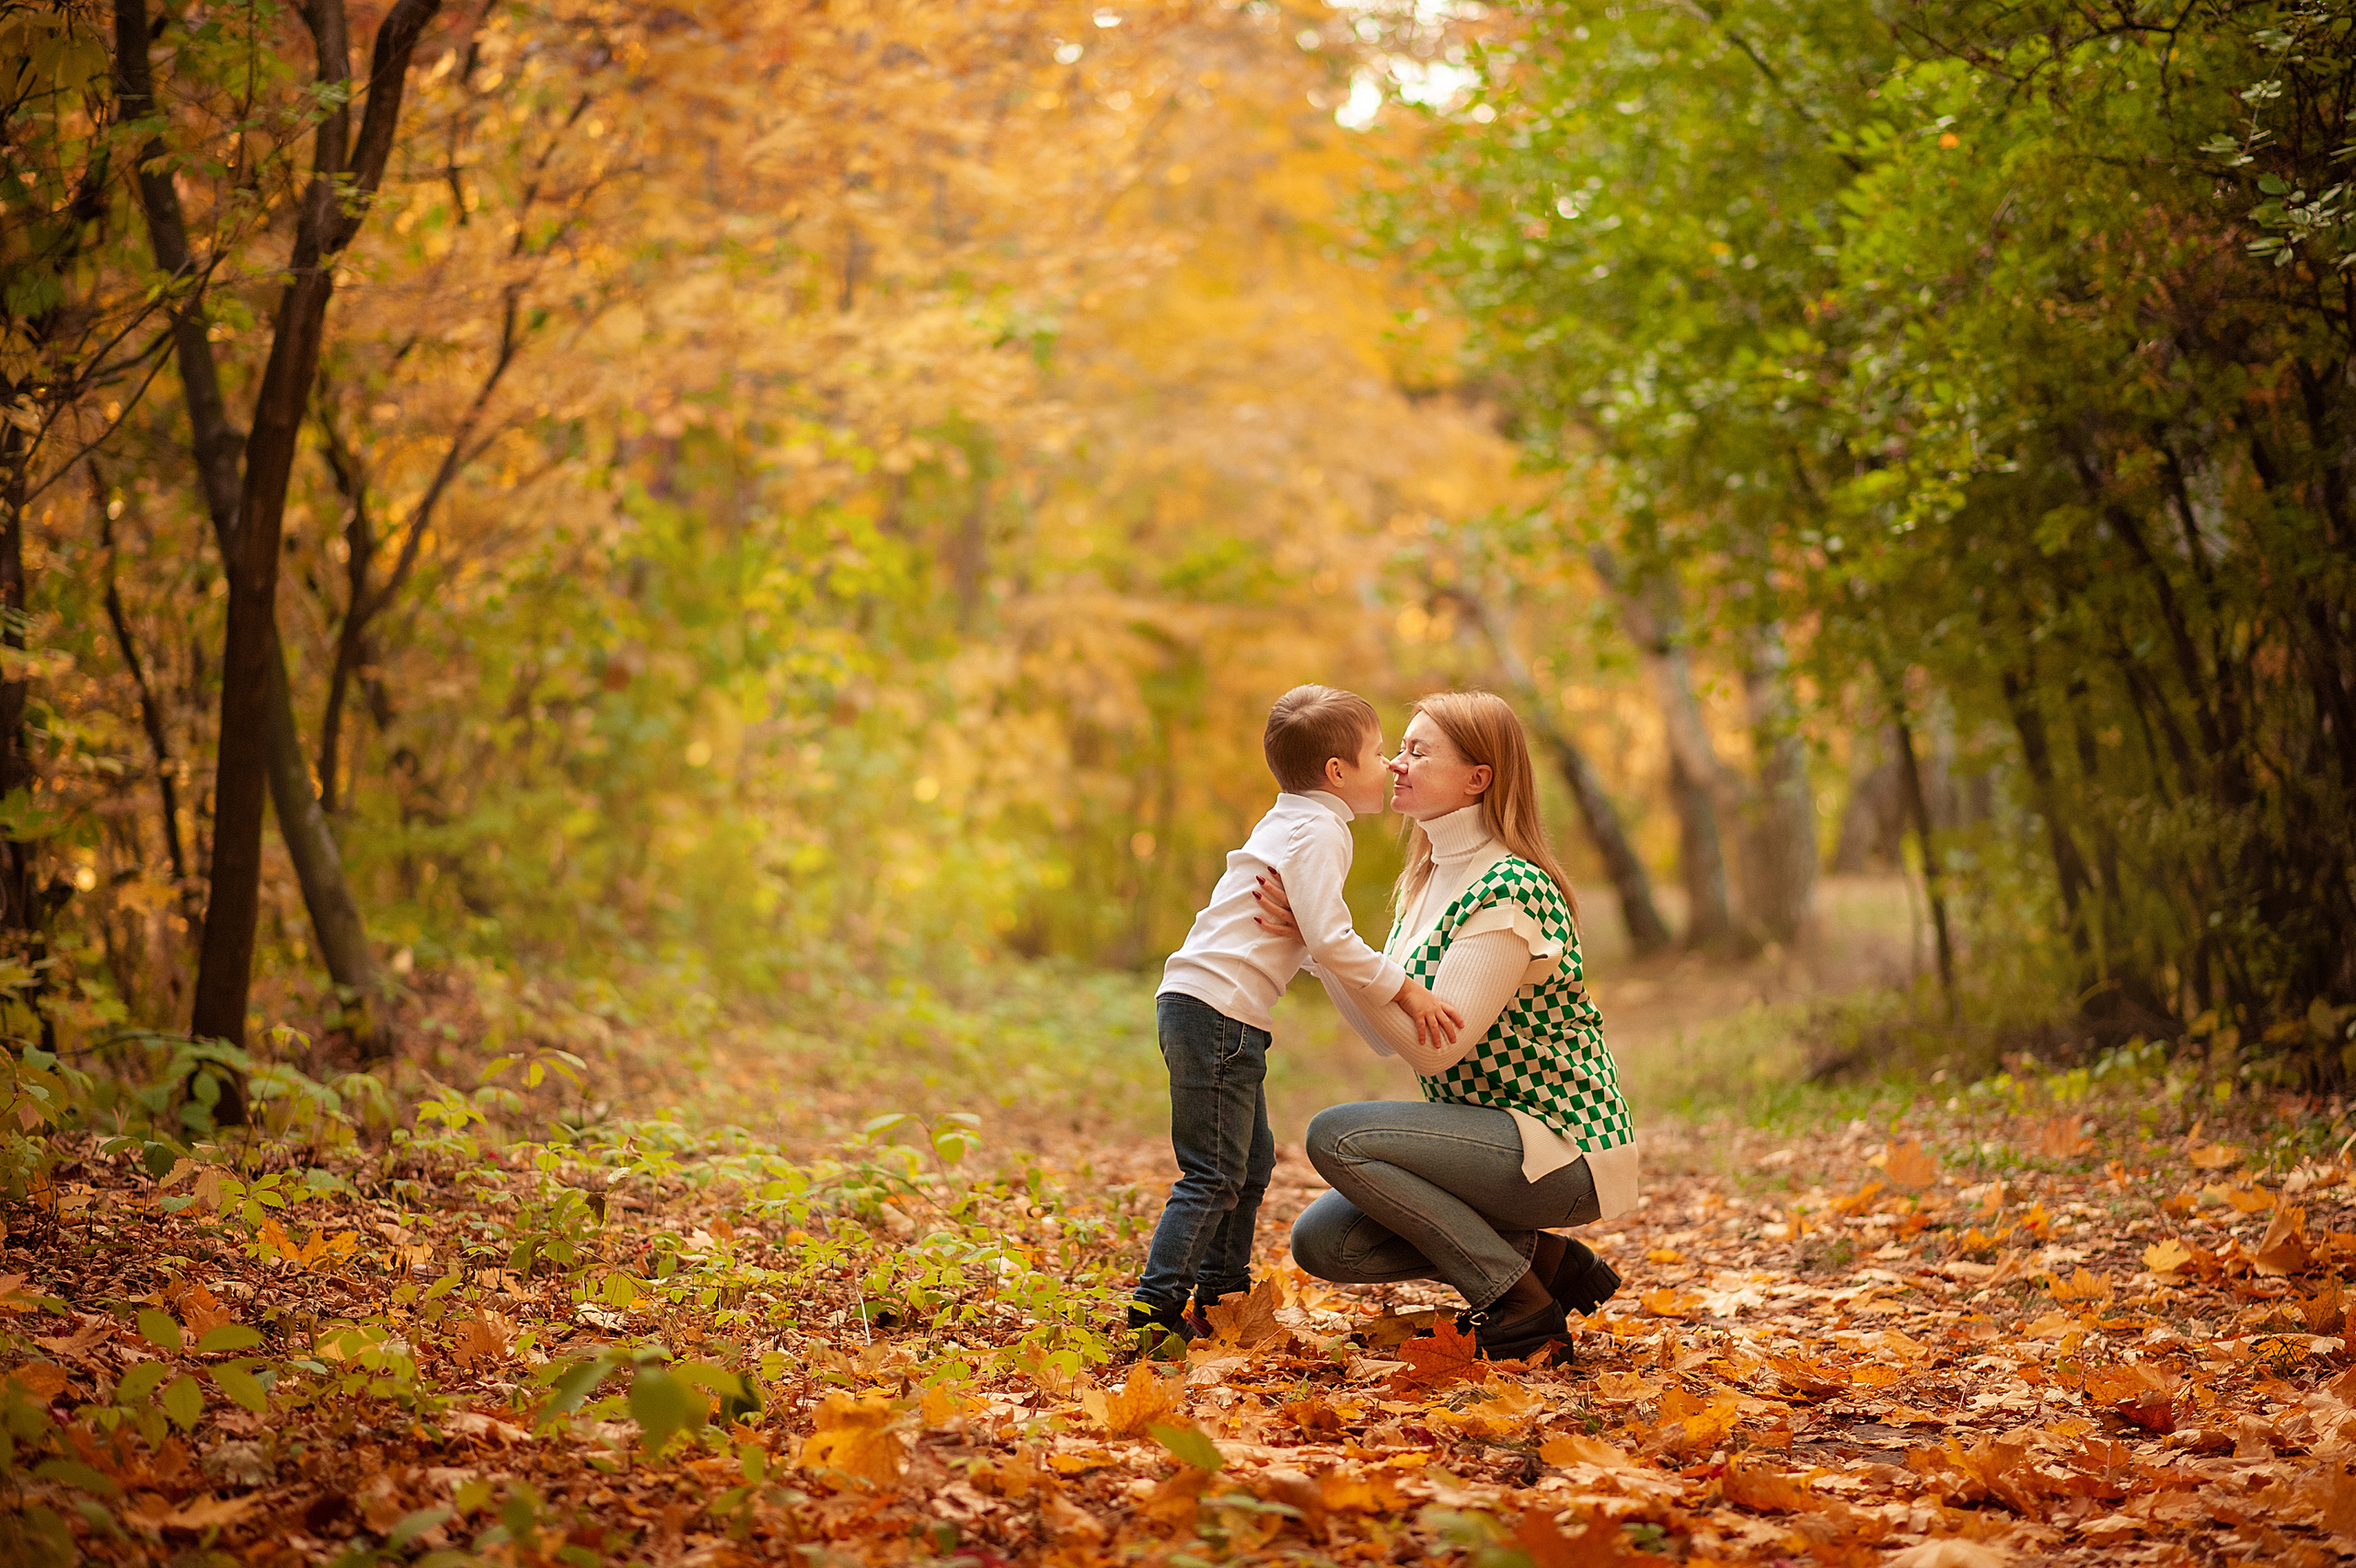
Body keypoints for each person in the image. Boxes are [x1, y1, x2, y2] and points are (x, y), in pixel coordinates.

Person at [1254, 690, 1636, 1362]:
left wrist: (1336, 951)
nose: (1397, 764)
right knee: (1324, 1243)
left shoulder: (1510, 887)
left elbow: (1435, 1051)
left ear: (1478, 777)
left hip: (1560, 1145)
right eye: (1397, 749)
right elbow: (1382, 1034)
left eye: (1417, 751)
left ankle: (1519, 1301)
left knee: (1335, 1136)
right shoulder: (1424, 882)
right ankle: (1545, 1262)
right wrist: (1320, 950)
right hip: (1482, 1138)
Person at [1128, 685, 1465, 1353]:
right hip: (1216, 1011)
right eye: (1378, 753)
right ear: (1337, 773)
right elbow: (1332, 938)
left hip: (1212, 1007)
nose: (1393, 765)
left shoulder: (1289, 820)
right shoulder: (1319, 831)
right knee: (1213, 1173)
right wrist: (1409, 993)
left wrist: (1318, 945)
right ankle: (1153, 1312)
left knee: (1247, 1167)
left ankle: (1222, 1299)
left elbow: (1308, 936)